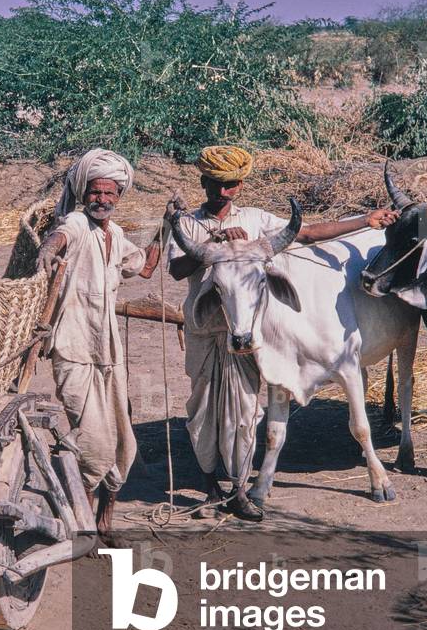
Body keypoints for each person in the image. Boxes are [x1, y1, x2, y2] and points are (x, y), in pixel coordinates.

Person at [165, 145, 397, 521]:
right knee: (203, 410)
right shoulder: (189, 225)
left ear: (241, 185)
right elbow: (177, 271)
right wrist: (215, 242)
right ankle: (209, 484)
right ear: (204, 182)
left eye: (233, 184)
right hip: (207, 330)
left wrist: (364, 220)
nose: (226, 192)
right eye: (218, 184)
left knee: (243, 412)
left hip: (250, 336)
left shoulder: (256, 219)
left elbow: (307, 233)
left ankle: (240, 488)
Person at [36, 148, 159, 543]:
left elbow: (142, 268)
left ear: (119, 197)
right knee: (91, 438)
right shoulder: (74, 222)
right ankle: (83, 526)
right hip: (73, 349)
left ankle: (105, 519)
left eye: (110, 194)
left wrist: (166, 230)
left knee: (123, 438)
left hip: (109, 353)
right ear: (83, 190)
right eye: (96, 192)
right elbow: (58, 238)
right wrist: (46, 252)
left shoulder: (116, 234)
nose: (102, 200)